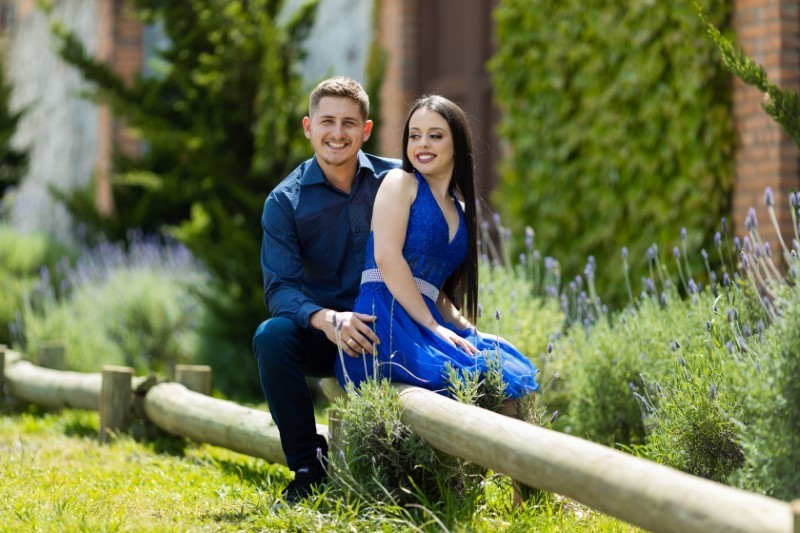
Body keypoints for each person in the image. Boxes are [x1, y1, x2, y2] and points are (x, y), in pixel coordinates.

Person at [334, 94, 539, 406]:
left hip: (422, 319)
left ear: (457, 144)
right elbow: (387, 258)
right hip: (383, 322)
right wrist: (432, 327)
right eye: (415, 135)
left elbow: (432, 289)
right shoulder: (400, 183)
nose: (422, 144)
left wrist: (470, 330)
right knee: (475, 378)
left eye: (435, 136)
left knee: (504, 364)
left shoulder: (463, 211)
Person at [252, 76, 401, 504]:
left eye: (349, 123)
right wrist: (327, 320)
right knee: (271, 336)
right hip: (326, 337)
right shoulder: (284, 202)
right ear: (308, 127)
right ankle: (308, 468)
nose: (338, 133)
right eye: (327, 122)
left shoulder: (395, 181)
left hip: (393, 330)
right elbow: (280, 289)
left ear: (366, 130)